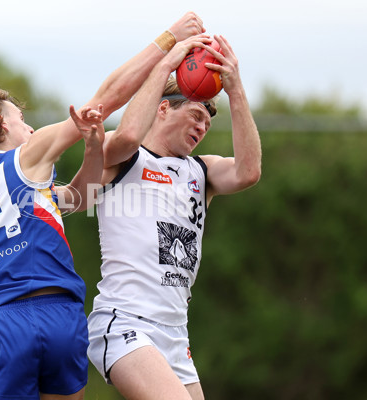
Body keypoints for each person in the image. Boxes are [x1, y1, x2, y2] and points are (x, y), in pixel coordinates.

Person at [0, 13, 207, 400]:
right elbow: (106, 99)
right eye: (22, 120)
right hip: (58, 313)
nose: (31, 129)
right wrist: (168, 42)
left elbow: (79, 197)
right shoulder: (26, 155)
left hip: (6, 318)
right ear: (2, 127)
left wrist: (92, 149)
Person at [87, 34, 262, 400]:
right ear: (163, 108)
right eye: (195, 116)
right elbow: (131, 131)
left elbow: (248, 172)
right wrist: (167, 62)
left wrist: (236, 90)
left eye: (207, 124)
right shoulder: (125, 157)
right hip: (126, 323)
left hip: (175, 333)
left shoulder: (202, 171)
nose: (201, 128)